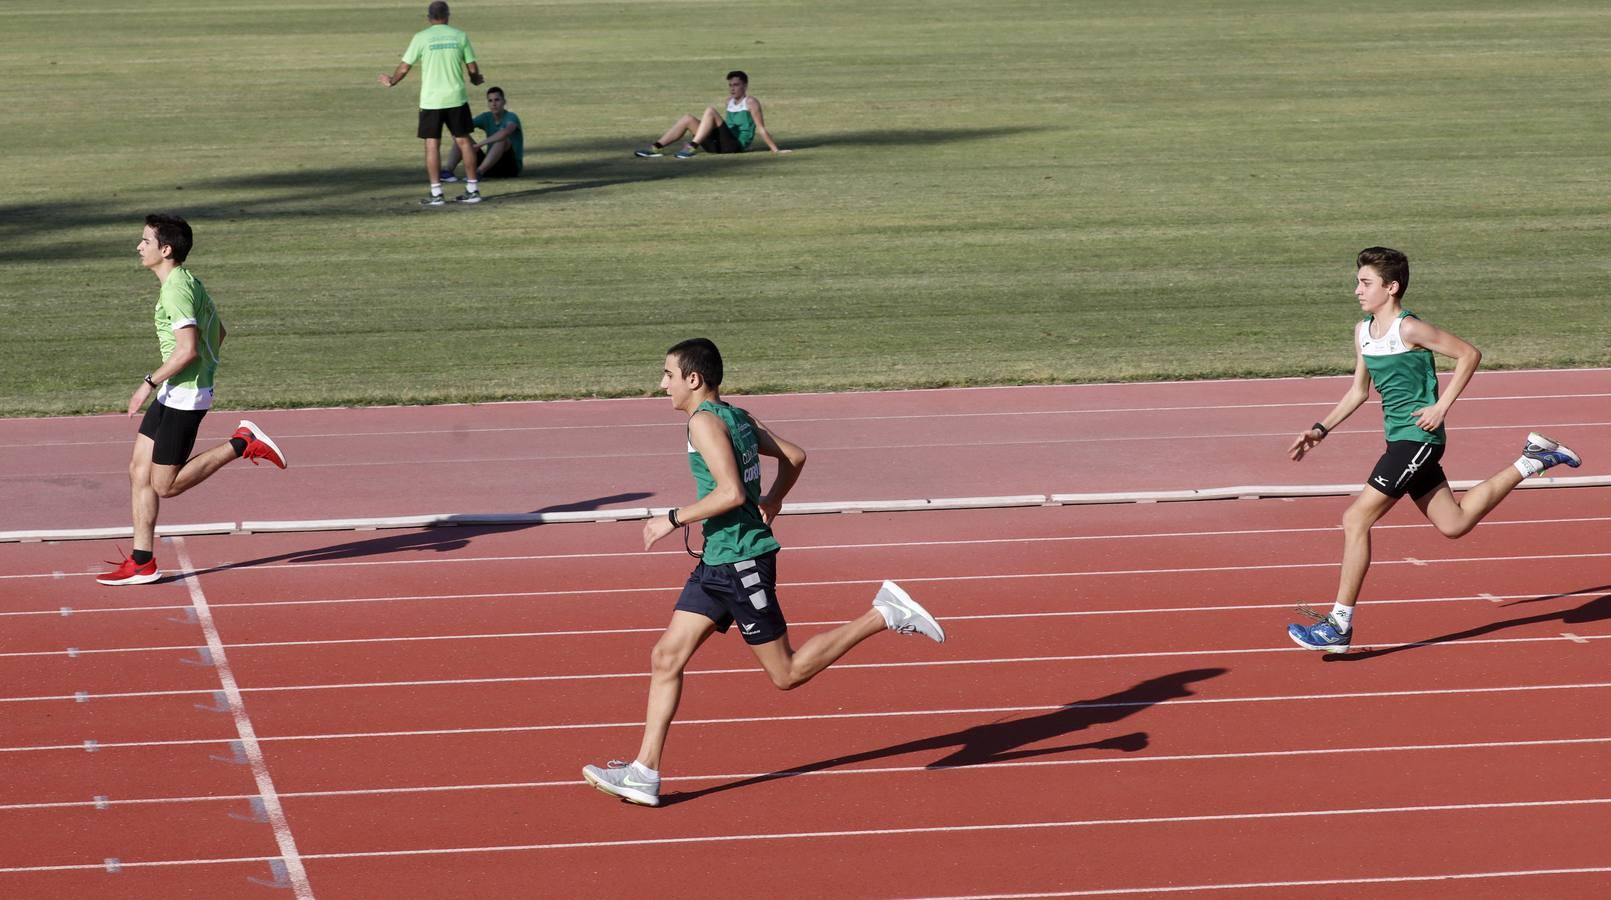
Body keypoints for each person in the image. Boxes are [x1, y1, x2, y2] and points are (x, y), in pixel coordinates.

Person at [582, 338, 943, 807]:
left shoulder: (704, 423)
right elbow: (795, 456)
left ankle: (884, 613)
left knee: (786, 674)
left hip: (741, 563)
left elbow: (730, 492)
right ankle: (644, 772)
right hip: (717, 560)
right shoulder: (737, 416)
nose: (661, 384)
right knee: (666, 656)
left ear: (694, 379)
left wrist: (670, 519)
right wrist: (772, 500)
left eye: (668, 374)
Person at [1284, 247, 1581, 651]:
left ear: (1391, 287)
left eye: (1365, 282)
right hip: (1400, 441)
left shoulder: (1410, 329)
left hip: (1418, 440)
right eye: (1357, 281)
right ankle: (1533, 459)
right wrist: (1320, 429)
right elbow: (1358, 391)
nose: (1357, 289)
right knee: (1453, 524)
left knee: (1355, 520)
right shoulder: (1362, 331)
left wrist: (1441, 407)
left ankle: (1338, 625)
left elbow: (1469, 354)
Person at [97, 215, 287, 586]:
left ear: (165, 250)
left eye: (145, 241)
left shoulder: (176, 290)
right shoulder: (184, 282)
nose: (139, 247)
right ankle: (142, 561)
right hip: (177, 389)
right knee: (139, 471)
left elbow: (186, 351)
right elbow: (221, 331)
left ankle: (242, 442)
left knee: (165, 485)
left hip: (185, 394)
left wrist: (146, 383)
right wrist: (205, 364)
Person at [378, 1, 486, 205]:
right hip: (456, 97)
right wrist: (475, 79)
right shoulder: (459, 35)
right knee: (464, 141)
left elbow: (404, 67)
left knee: (431, 145)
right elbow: (472, 66)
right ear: (448, 16)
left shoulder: (421, 38)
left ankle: (436, 193)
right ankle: (473, 188)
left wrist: (391, 81)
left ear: (429, 17)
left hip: (431, 100)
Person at [634, 70, 789, 159]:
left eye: (736, 85)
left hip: (735, 146)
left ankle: (691, 147)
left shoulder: (751, 102)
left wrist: (775, 150)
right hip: (719, 145)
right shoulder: (729, 101)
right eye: (730, 85)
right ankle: (655, 148)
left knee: (710, 111)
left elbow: (761, 128)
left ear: (745, 85)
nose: (732, 88)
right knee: (688, 118)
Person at [441, 85, 523, 181]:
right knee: (462, 137)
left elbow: (505, 132)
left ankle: (477, 173)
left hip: (509, 167)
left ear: (504, 102)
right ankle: (447, 172)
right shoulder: (486, 117)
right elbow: (460, 128)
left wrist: (479, 145)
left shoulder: (511, 117)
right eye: (490, 101)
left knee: (503, 140)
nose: (494, 104)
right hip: (489, 165)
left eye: (497, 100)